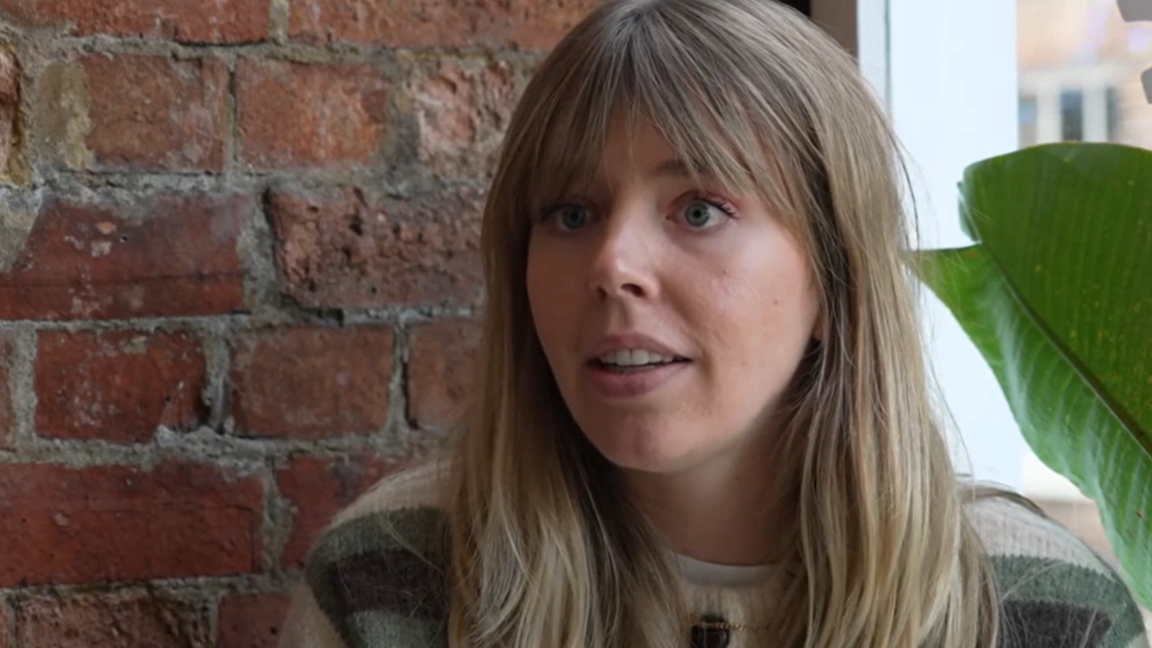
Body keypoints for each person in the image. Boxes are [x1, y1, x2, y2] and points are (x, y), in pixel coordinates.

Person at [278, 0, 1150, 646]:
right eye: (570, 215)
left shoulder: (1040, 608)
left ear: (833, 271)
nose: (613, 264)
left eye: (698, 211)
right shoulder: (389, 582)